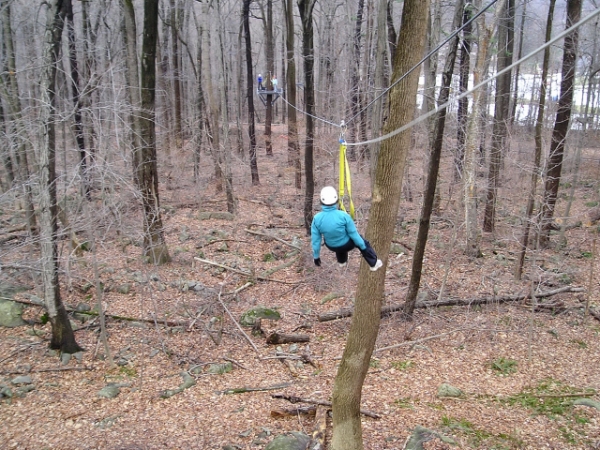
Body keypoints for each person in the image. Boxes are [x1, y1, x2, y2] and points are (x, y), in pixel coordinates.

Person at [311, 186, 383, 271]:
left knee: (337, 239)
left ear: (321, 201)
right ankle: (374, 264)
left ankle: (342, 261)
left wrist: (316, 256)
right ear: (336, 200)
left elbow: (316, 240)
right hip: (347, 245)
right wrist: (363, 247)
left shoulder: (316, 219)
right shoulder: (344, 216)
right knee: (361, 241)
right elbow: (354, 234)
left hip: (331, 246)